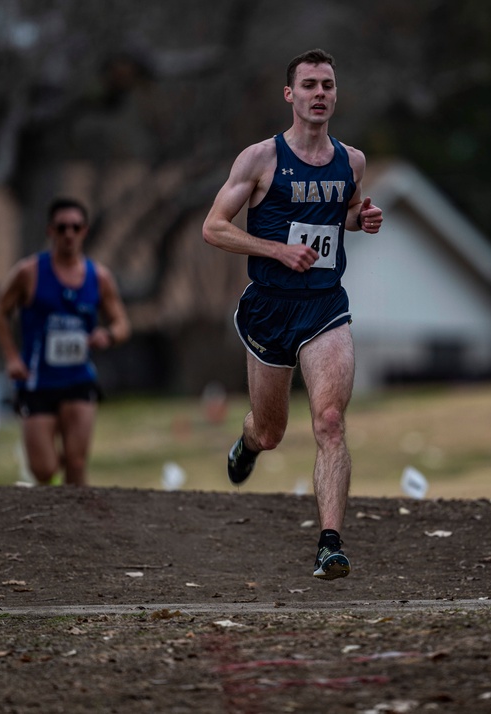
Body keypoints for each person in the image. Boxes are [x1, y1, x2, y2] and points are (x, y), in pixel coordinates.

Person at [202, 48, 384, 581]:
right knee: (273, 430)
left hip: (326, 305)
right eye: (309, 85)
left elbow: (343, 213)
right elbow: (214, 227)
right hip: (269, 310)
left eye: (328, 84)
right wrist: (277, 250)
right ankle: (249, 438)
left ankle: (330, 543)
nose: (320, 93)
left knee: (329, 421)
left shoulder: (352, 161)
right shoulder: (259, 158)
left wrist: (361, 218)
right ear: (291, 95)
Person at [0, 197, 130, 487]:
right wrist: (12, 357)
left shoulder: (99, 277)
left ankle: (77, 528)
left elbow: (122, 323)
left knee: (77, 463)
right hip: (36, 381)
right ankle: (51, 511)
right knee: (44, 469)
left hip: (78, 379)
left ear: (84, 231)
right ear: (50, 231)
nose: (69, 233)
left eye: (76, 227)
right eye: (62, 227)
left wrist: (109, 335)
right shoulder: (28, 272)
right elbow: (0, 314)